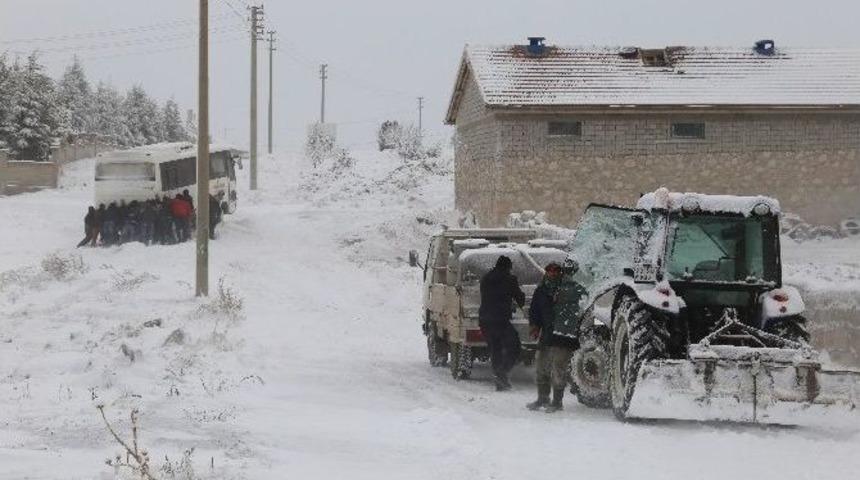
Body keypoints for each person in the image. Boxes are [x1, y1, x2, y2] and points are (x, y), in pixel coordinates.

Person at [526, 261, 583, 412]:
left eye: (556, 271)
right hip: (546, 335)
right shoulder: (542, 289)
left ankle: (557, 402)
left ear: (561, 272)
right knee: (541, 367)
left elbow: (580, 307)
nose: (552, 273)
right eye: (549, 270)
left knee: (558, 368)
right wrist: (534, 325)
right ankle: (542, 398)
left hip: (564, 335)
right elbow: (535, 310)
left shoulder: (570, 288)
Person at [479, 255, 526, 391]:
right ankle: (502, 372)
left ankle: (500, 381)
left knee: (496, 349)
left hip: (485, 320)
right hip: (500, 320)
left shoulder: (486, 278)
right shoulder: (510, 279)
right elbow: (520, 299)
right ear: (508, 267)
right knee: (515, 347)